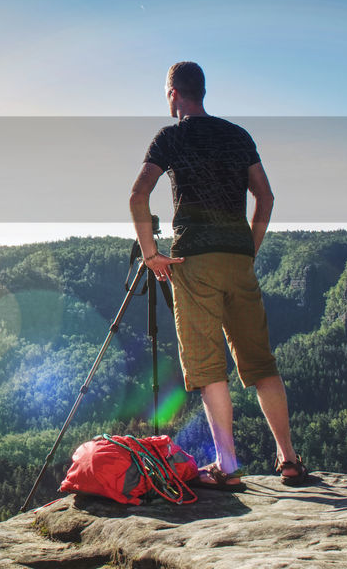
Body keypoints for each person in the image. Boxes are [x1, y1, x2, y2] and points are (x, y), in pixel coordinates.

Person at [128, 61, 308, 489]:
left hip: (195, 261)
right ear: (202, 91)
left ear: (173, 94)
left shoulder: (171, 137)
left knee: (209, 368)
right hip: (237, 258)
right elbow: (264, 196)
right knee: (261, 361)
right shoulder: (237, 135)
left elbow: (138, 196)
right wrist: (249, 248)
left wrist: (152, 254)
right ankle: (289, 460)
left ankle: (227, 467)